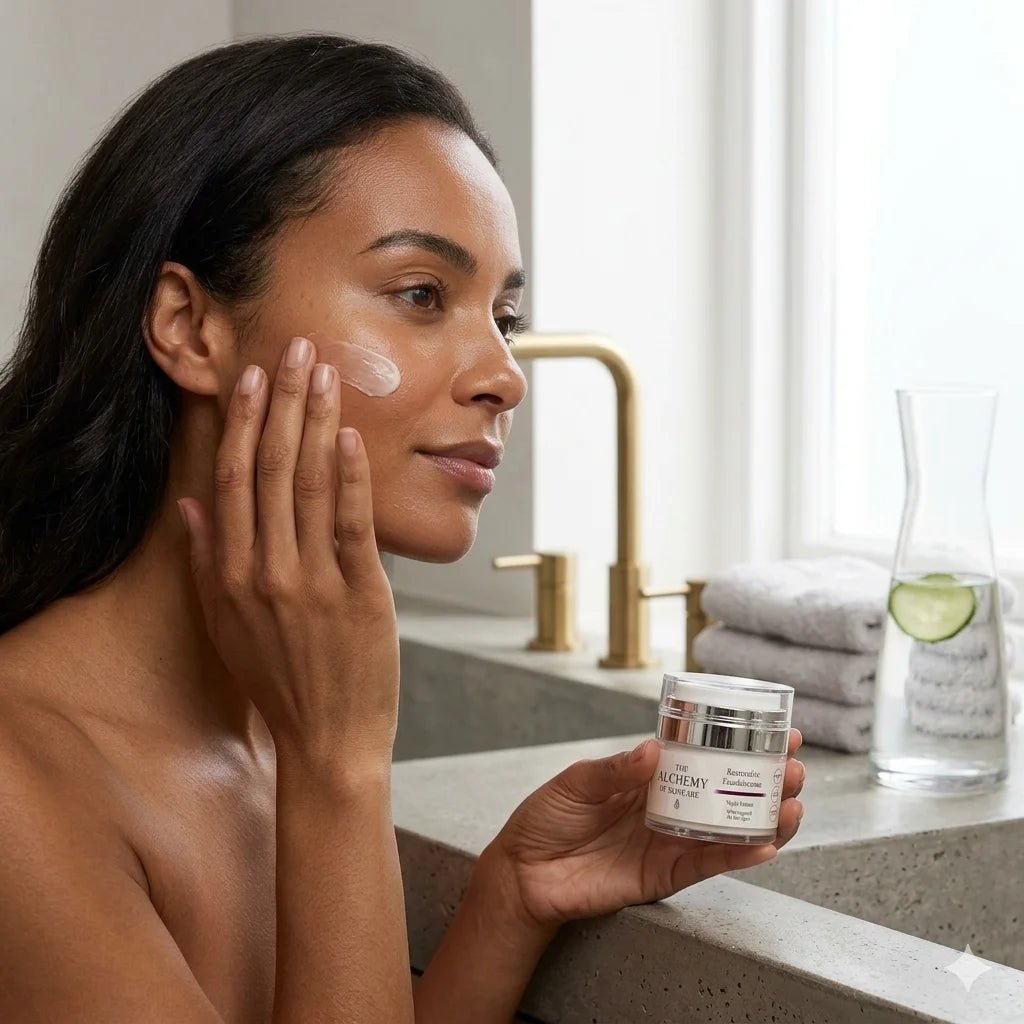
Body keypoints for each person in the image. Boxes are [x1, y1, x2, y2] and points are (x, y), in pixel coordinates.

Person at [0, 34, 805, 1023]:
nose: (504, 374)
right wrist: (341, 769)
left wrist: (509, 897)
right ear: (188, 325)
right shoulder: (20, 783)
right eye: (421, 294)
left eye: (503, 317)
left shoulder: (268, 707)